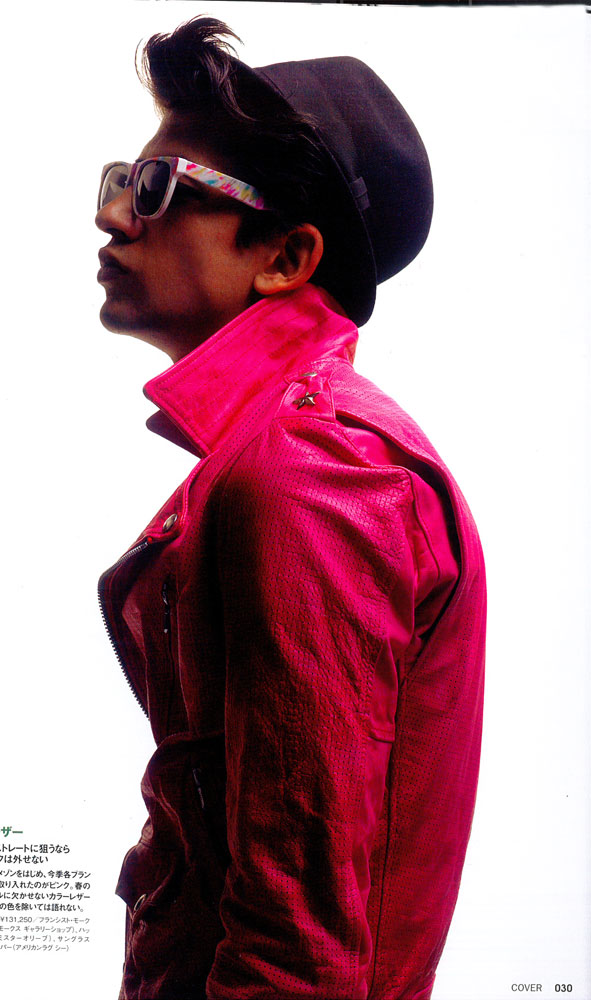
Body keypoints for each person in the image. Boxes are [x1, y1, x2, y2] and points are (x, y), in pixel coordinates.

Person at [95, 16, 486, 1000]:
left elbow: (298, 954)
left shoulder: (307, 470)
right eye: (120, 180)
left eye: (156, 188)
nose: (112, 216)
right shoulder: (278, 452)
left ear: (284, 256)